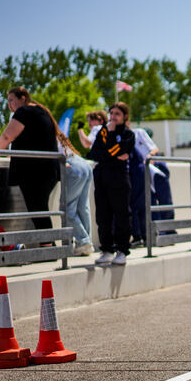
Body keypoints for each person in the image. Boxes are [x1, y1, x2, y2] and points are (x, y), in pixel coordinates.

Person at [0, 87, 61, 234]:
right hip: (47, 169)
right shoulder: (42, 111)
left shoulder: (24, 112)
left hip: (34, 171)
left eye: (11, 100)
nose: (9, 105)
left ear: (23, 98)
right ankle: (48, 244)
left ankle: (48, 245)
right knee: (39, 207)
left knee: (37, 207)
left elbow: (7, 136)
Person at [87, 102, 135, 267]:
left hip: (119, 178)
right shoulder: (103, 132)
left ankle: (122, 250)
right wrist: (112, 153)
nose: (113, 117)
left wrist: (112, 142)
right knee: (103, 215)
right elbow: (94, 153)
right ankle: (107, 250)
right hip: (101, 177)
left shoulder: (129, 134)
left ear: (124, 117)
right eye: (111, 113)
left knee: (121, 215)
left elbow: (122, 152)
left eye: (117, 114)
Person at [56, 125, 94, 255]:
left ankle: (83, 241)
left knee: (66, 208)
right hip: (83, 164)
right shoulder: (56, 133)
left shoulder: (43, 132)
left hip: (72, 165)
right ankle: (85, 244)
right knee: (83, 207)